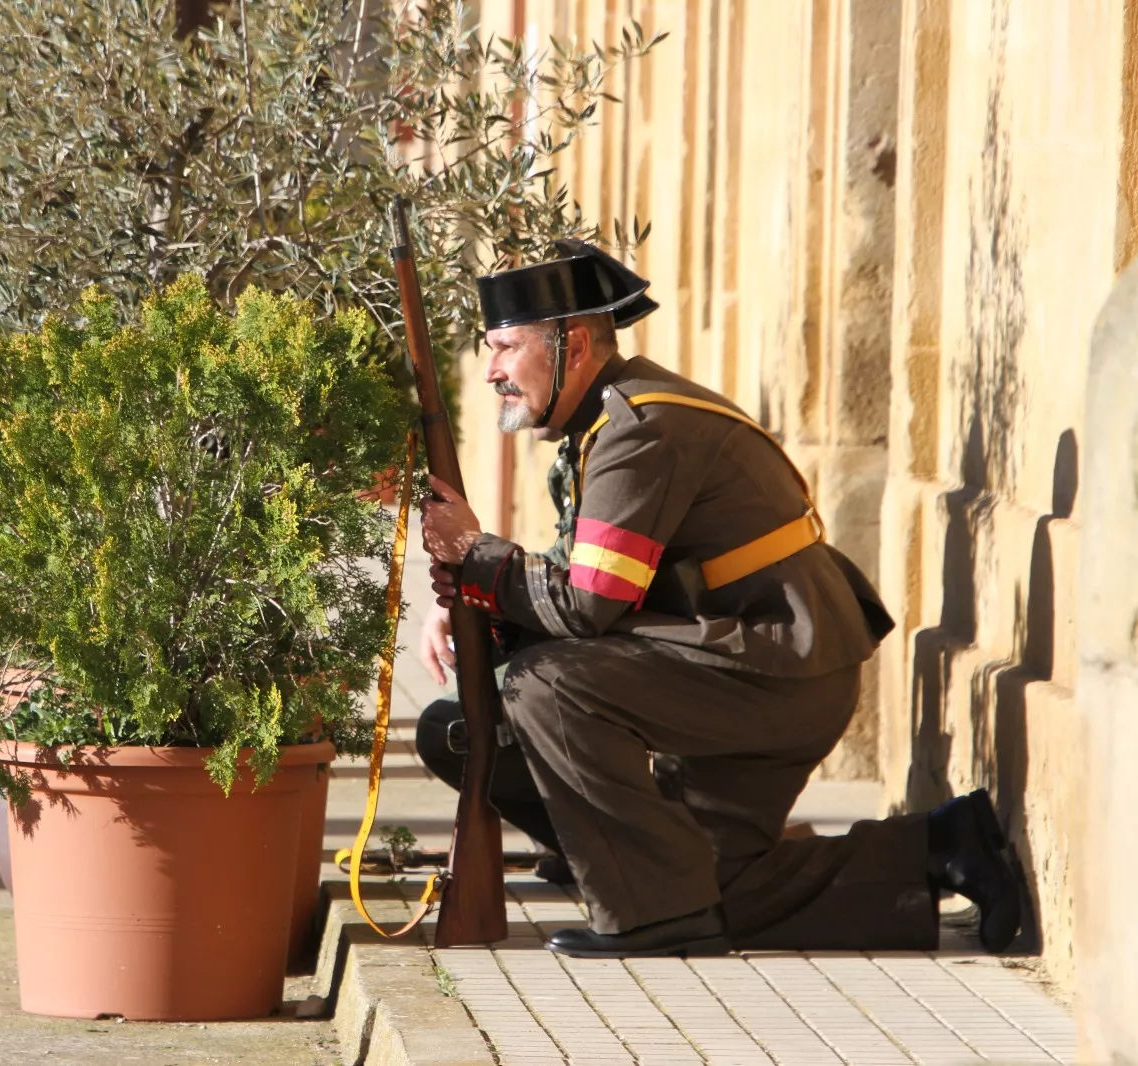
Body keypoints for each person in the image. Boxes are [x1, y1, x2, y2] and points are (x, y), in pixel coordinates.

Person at [412, 240, 1023, 958]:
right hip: (741, 658)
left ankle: (645, 905)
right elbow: (584, 575)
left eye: (507, 348)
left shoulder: (638, 429)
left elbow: (588, 606)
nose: (492, 371)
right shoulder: (603, 424)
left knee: (544, 686)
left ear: (572, 346)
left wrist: (476, 554)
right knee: (709, 886)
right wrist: (473, 599)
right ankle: (941, 844)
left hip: (775, 672)